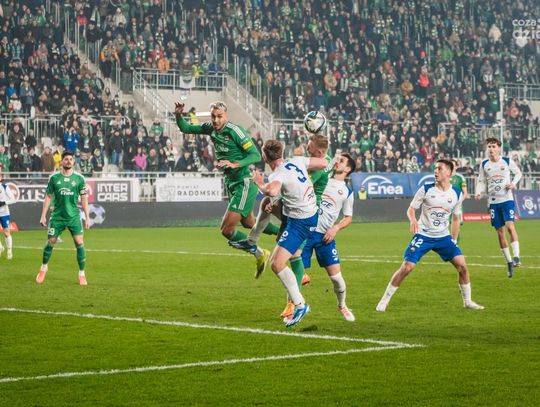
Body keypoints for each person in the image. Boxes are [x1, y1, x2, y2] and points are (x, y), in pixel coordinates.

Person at [230, 134, 331, 319]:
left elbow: (273, 189)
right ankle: (251, 241)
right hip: (303, 213)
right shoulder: (297, 160)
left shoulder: (278, 174)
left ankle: (298, 304)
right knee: (266, 204)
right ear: (282, 152)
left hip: (300, 221)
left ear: (265, 157)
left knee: (279, 263)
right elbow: (324, 163)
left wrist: (260, 184)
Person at [174, 101, 279, 269]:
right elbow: (186, 128)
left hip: (244, 183)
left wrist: (236, 164)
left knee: (226, 230)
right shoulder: (210, 128)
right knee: (249, 223)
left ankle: (259, 252)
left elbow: (255, 155)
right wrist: (179, 115)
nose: (216, 120)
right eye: (213, 116)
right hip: (232, 183)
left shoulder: (235, 131)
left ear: (226, 116)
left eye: (219, 116)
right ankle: (281, 232)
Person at [376, 159, 484, 312]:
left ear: (449, 172)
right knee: (407, 267)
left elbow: (455, 218)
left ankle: (468, 301)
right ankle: (384, 301)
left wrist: (454, 240)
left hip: (443, 237)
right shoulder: (426, 189)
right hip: (423, 235)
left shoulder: (457, 193)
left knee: (462, 267)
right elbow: (411, 209)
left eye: (439, 169)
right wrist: (413, 220)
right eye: (435, 168)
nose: (436, 171)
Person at [300, 153, 356, 322]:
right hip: (306, 231)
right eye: (337, 159)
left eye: (342, 161)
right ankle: (293, 308)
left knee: (336, 278)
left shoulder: (347, 191)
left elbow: (348, 217)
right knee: (298, 275)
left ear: (348, 169)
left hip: (325, 237)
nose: (337, 162)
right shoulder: (322, 177)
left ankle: (342, 305)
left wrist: (336, 228)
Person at [36, 151, 90, 285]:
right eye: (66, 159)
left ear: (74, 162)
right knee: (50, 242)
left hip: (73, 217)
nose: (69, 161)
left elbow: (84, 199)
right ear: (61, 162)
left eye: (71, 159)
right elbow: (48, 197)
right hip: (57, 216)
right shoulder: (54, 178)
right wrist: (43, 216)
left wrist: (88, 218)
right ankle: (43, 268)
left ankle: (82, 274)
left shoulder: (80, 179)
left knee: (79, 243)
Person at [475, 137, 522, 277]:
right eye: (489, 146)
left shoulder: (506, 161)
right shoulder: (484, 164)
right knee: (500, 233)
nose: (491, 149)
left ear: (499, 148)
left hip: (507, 199)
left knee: (510, 227)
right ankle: (509, 262)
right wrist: (478, 192)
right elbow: (480, 180)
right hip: (493, 202)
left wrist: (513, 183)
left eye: (493, 146)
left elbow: (518, 173)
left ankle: (517, 257)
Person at [449, 158, 468, 242]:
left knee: (456, 227)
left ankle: (455, 244)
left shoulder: (460, 178)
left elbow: (465, 193)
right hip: (446, 206)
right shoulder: (444, 176)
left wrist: (458, 202)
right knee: (446, 227)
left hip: (457, 206)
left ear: (456, 167)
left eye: (453, 165)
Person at [0, 170, 15, 259]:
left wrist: (3, 202)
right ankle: (0, 247)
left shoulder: (5, 187)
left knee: (6, 232)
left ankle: (9, 251)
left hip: (4, 213)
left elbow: (13, 199)